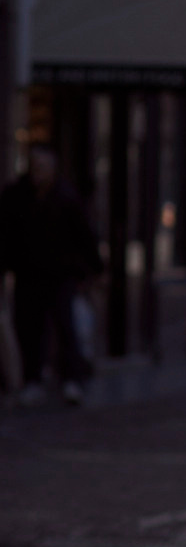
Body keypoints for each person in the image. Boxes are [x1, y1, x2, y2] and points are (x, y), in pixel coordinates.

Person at [0, 143, 102, 404]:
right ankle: (33, 378)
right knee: (29, 327)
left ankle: (71, 379)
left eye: (43, 167)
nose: (38, 172)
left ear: (53, 169)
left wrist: (93, 270)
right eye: (34, 167)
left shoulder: (66, 197)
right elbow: (6, 235)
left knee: (66, 326)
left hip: (60, 274)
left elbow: (84, 236)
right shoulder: (16, 196)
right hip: (28, 273)